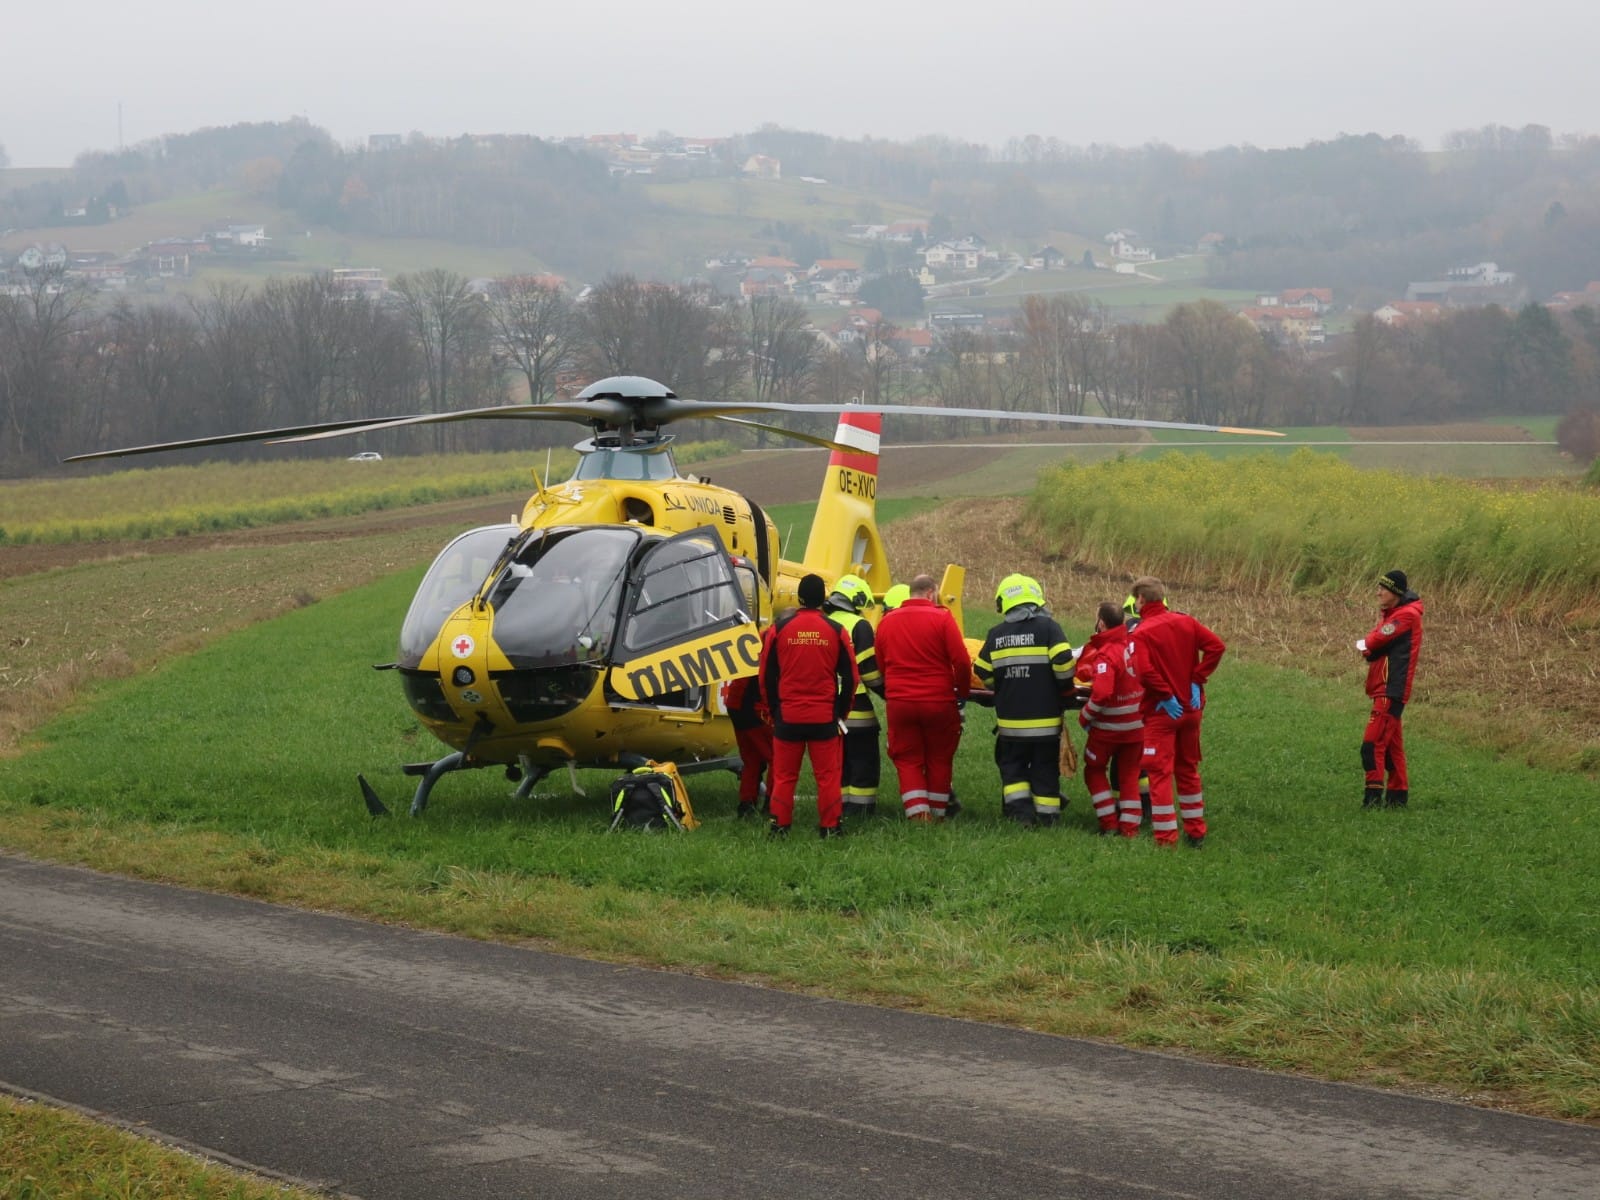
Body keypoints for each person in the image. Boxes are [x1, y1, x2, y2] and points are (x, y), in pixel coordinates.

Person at [1127, 577, 1226, 848]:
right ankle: (1196, 832)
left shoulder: (1142, 633)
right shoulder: (1187, 622)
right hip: (1191, 709)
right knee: (1188, 769)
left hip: (1162, 712)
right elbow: (1217, 647)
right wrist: (1197, 678)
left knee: (1159, 774)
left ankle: (1166, 838)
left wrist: (1165, 695)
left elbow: (1144, 671)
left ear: (1142, 600)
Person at [758, 574, 858, 838]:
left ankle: (779, 826)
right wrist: (840, 713)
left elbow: (766, 675)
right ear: (823, 599)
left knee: (784, 776)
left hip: (788, 717)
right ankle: (831, 827)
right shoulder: (836, 631)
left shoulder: (779, 630)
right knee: (827, 777)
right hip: (824, 717)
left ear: (799, 598)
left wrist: (773, 711)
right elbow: (851, 677)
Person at [973, 574, 1077, 826]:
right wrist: (1061, 686)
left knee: (1013, 768)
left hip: (1011, 724)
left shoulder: (996, 633)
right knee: (1044, 768)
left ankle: (1020, 815)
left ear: (1004, 602)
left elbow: (982, 671)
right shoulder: (1049, 628)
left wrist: (1003, 686)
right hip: (1045, 722)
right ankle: (1048, 817)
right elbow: (1064, 664)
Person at [874, 574, 971, 822]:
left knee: (907, 757)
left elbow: (881, 662)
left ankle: (918, 815)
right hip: (938, 701)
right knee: (939, 755)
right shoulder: (942, 618)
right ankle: (938, 813)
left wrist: (896, 687)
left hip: (900, 703)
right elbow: (960, 660)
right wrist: (962, 691)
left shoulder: (887, 621)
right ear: (930, 593)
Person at [1076, 601, 1145, 836]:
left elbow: (1103, 692)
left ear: (1101, 623)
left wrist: (1085, 716)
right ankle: (1130, 829)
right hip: (1137, 728)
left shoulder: (1106, 654)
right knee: (1129, 776)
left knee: (1093, 770)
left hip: (1109, 728)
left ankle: (1109, 823)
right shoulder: (1132, 646)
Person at [1358, 569, 1424, 808]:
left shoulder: (1406, 616)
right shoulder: (1393, 614)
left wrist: (1369, 646)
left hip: (1391, 689)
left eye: (1382, 589)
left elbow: (1373, 641)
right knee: (1393, 748)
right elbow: (1374, 640)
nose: (1378, 593)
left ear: (1395, 592)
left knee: (1372, 745)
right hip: (1383, 687)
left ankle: (1373, 797)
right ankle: (1397, 797)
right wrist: (1371, 645)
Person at [824, 574, 885, 819]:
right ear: (857, 600)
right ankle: (860, 810)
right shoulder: (858, 626)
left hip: (828, 707)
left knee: (838, 763)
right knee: (863, 762)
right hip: (856, 708)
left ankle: (839, 807)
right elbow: (868, 670)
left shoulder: (824, 622)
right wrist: (888, 692)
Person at [722, 667, 773, 820]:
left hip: (737, 704)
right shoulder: (772, 646)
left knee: (752, 760)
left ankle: (746, 806)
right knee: (779, 759)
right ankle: (773, 806)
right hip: (754, 706)